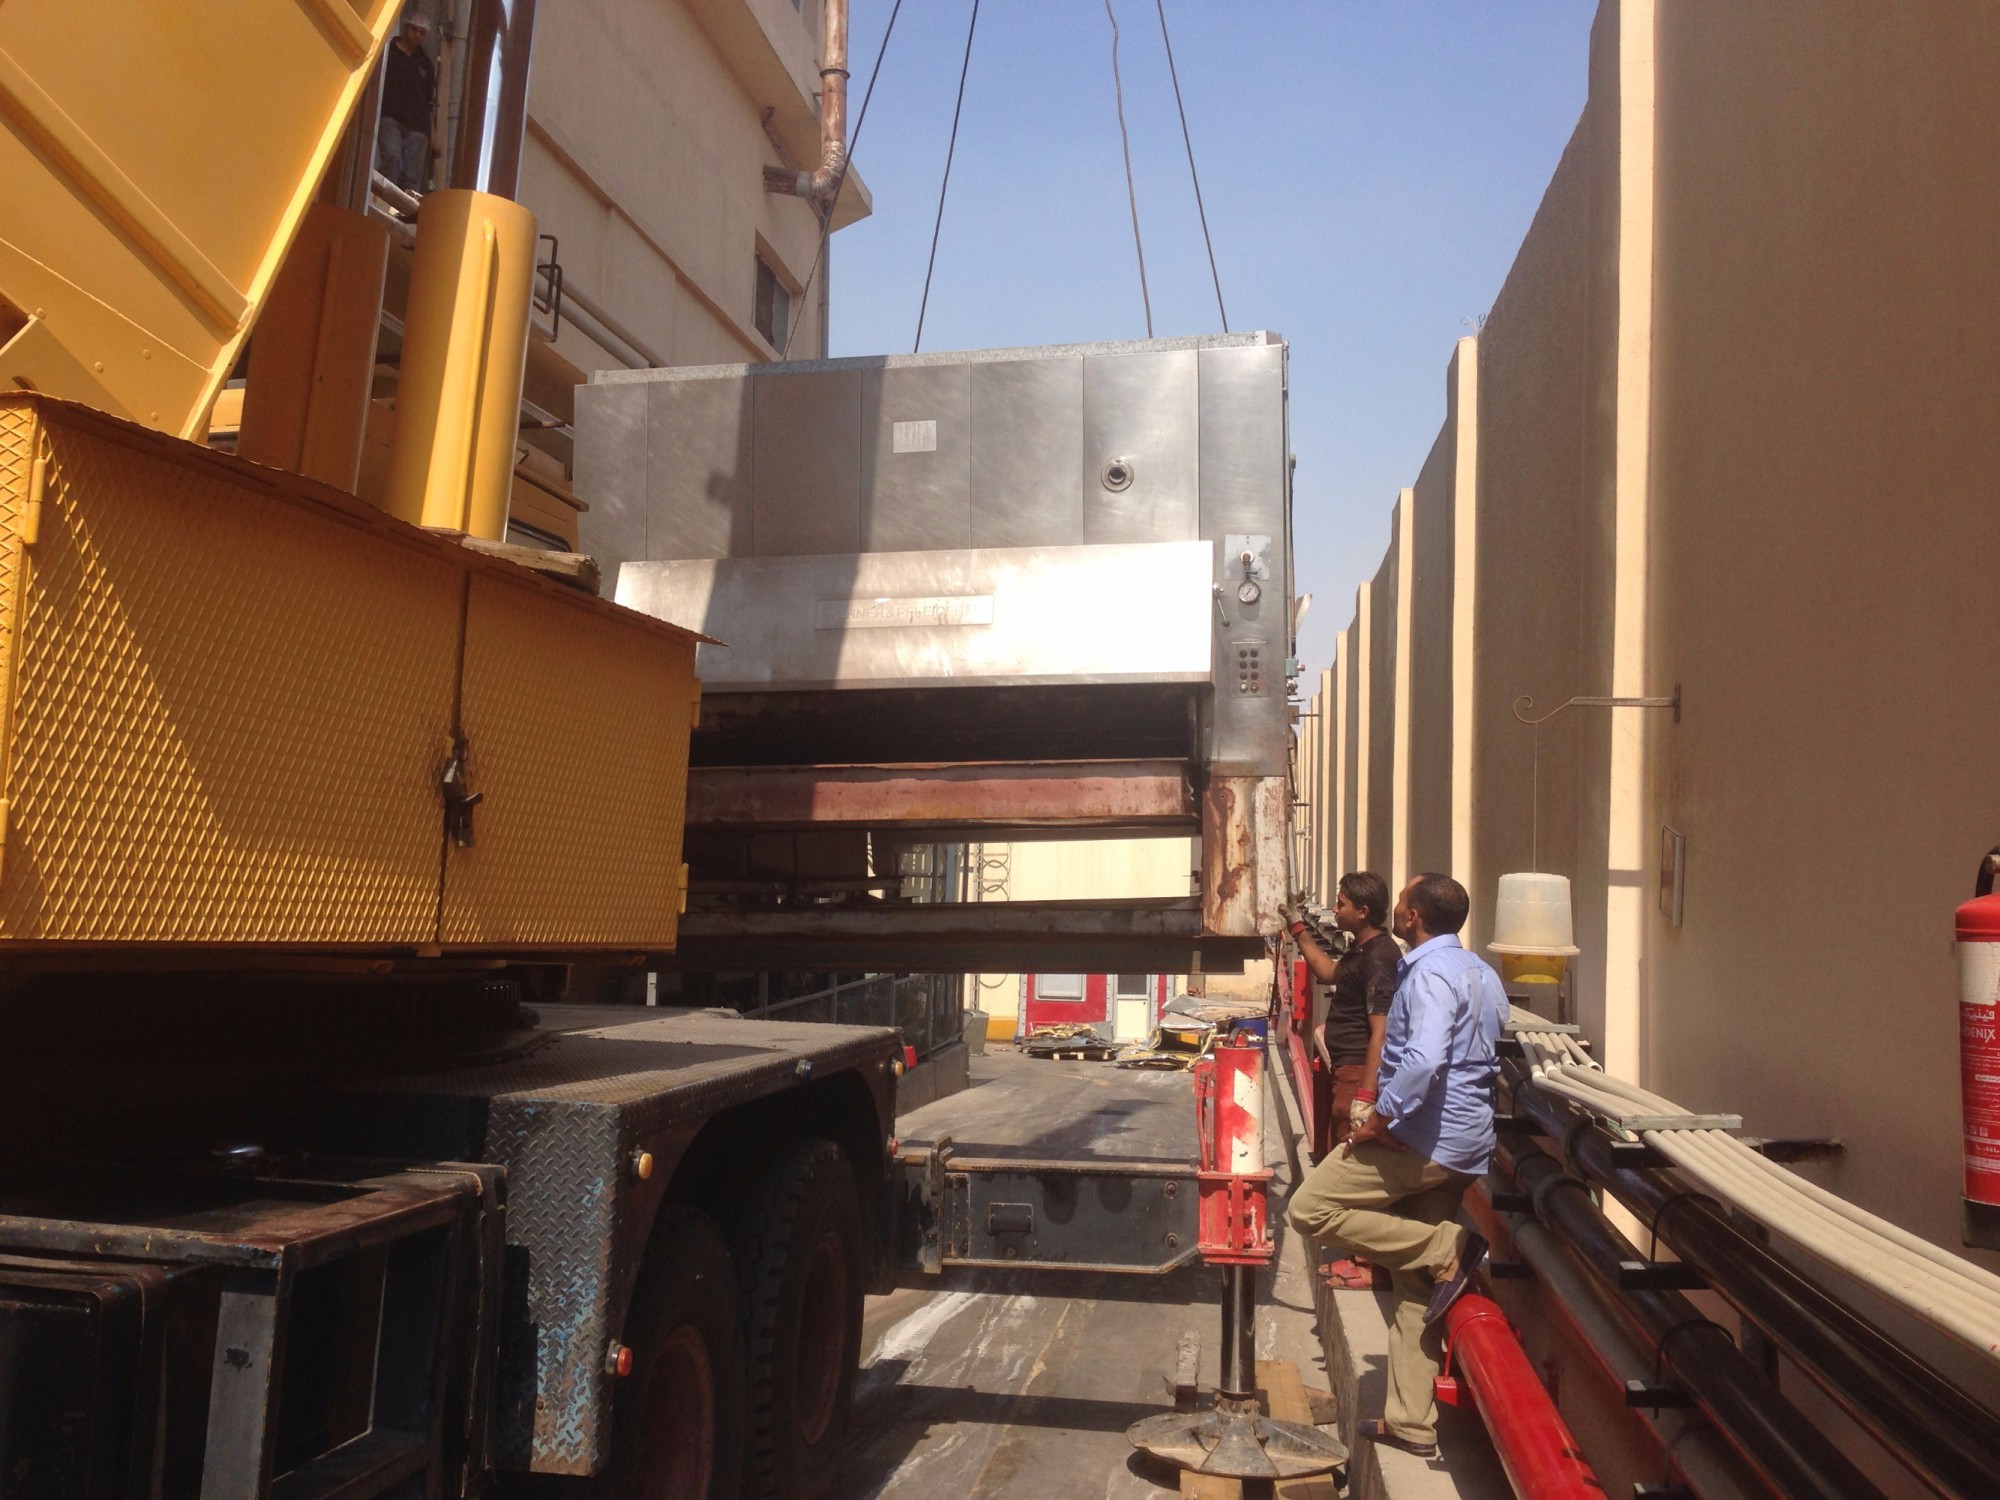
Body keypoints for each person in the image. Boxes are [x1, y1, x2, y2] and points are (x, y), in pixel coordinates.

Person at [1284, 872, 1506, 1460]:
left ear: (1414, 918)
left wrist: (1382, 1118)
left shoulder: (1428, 974)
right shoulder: (1480, 972)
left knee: (1309, 1208)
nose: (1399, 907)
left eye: (1404, 901)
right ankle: (1411, 1421)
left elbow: (1425, 1059)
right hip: (1466, 1146)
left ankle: (1448, 1248)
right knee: (1415, 1283)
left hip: (1422, 1142)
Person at [1283, 872, 1398, 1287]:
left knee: (1353, 1165)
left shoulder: (1380, 958)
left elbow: (1381, 1031)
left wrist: (1365, 1094)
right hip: (1345, 1069)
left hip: (1357, 1074)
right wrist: (1298, 928)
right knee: (1341, 1155)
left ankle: (1368, 1263)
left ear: (1363, 911)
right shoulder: (1360, 951)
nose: (1334, 910)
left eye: (1342, 904)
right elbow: (1330, 973)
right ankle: (1358, 1253)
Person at [378, 13, 437, 193]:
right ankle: (383, 199)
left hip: (418, 127)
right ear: (405, 28)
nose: (417, 35)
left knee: (412, 177)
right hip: (390, 117)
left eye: (422, 32)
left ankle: (401, 208)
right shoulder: (387, 53)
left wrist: (433, 135)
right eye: (414, 29)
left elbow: (429, 102)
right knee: (392, 158)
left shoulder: (426, 64)